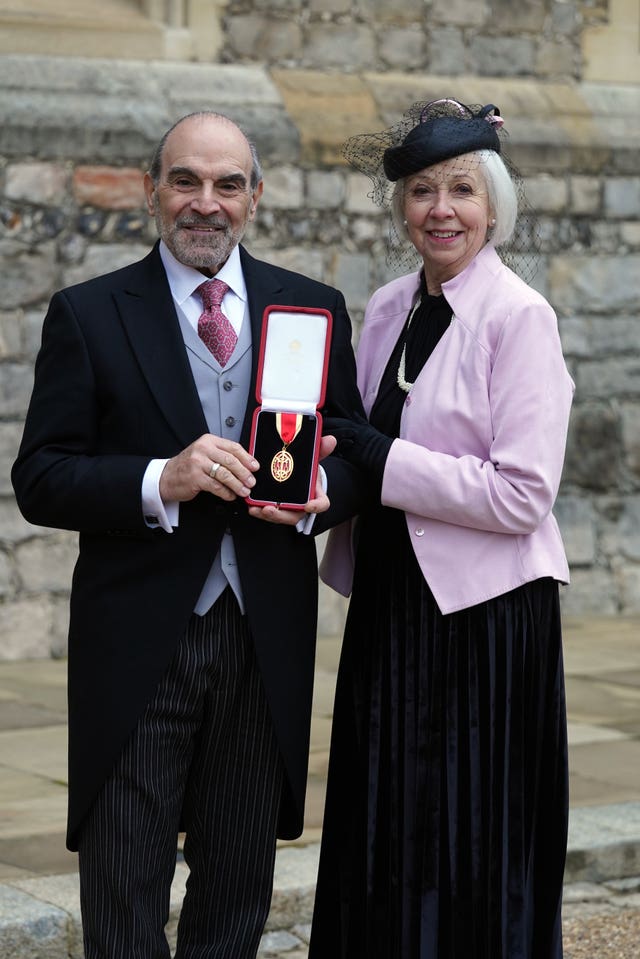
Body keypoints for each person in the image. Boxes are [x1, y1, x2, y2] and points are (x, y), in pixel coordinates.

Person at [11, 111, 363, 958]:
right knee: (124, 885)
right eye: (186, 181)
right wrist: (155, 479)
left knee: (238, 884)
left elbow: (353, 451)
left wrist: (318, 491)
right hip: (136, 641)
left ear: (255, 197)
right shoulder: (90, 314)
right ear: (151, 191)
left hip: (263, 638)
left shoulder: (311, 309)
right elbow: (41, 476)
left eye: (227, 184)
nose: (206, 203)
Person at [309, 98, 575, 959]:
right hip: (391, 603)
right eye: (422, 191)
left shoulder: (520, 317)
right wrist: (312, 488)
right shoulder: (386, 305)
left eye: (462, 188)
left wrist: (381, 461)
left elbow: (522, 494)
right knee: (381, 814)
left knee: (467, 828)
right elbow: (348, 438)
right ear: (404, 212)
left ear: (492, 207)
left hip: (486, 619)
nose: (441, 209)